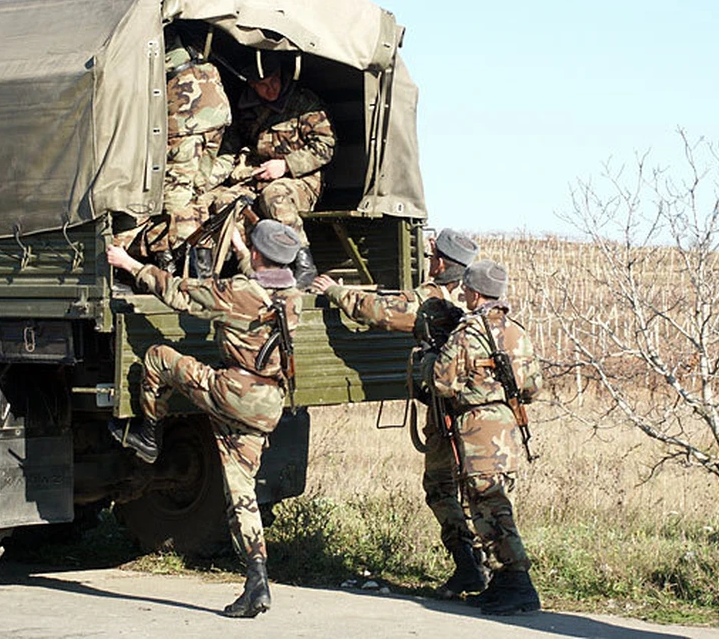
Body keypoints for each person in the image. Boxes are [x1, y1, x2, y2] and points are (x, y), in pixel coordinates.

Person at [105, 220, 303, 618]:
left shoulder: (238, 293)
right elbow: (260, 277)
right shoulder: (291, 296)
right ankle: (257, 579)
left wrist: (127, 263)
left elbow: (181, 294)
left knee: (160, 357)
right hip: (267, 403)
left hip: (232, 393)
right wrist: (243, 249)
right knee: (241, 491)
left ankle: (148, 435)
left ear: (259, 255)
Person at [312, 228, 488, 600]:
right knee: (472, 489)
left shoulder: (430, 302)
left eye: (433, 256)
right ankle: (483, 565)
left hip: (445, 414)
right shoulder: (465, 307)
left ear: (439, 263)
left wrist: (334, 290)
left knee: (440, 488)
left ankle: (470, 566)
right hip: (471, 415)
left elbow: (377, 312)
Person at [428, 259, 543, 615]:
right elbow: (533, 387)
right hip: (507, 424)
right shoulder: (516, 332)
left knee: (490, 504)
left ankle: (519, 582)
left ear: (475, 293)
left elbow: (442, 382)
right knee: (490, 503)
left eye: (466, 289)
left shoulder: (468, 332)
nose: (463, 293)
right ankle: (504, 584)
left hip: (477, 427)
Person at [215, 50, 336, 288]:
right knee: (226, 201)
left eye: (274, 81)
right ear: (251, 85)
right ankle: (240, 267)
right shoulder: (246, 108)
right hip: (258, 176)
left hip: (301, 181)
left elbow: (326, 146)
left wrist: (286, 165)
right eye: (262, 85)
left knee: (275, 196)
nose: (271, 89)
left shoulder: (305, 103)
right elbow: (234, 143)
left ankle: (304, 265)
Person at [157, 30, 234, 273]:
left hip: (186, 119)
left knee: (178, 195)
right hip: (216, 113)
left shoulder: (154, 31)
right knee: (197, 190)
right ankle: (203, 265)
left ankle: (188, 269)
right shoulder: (192, 33)